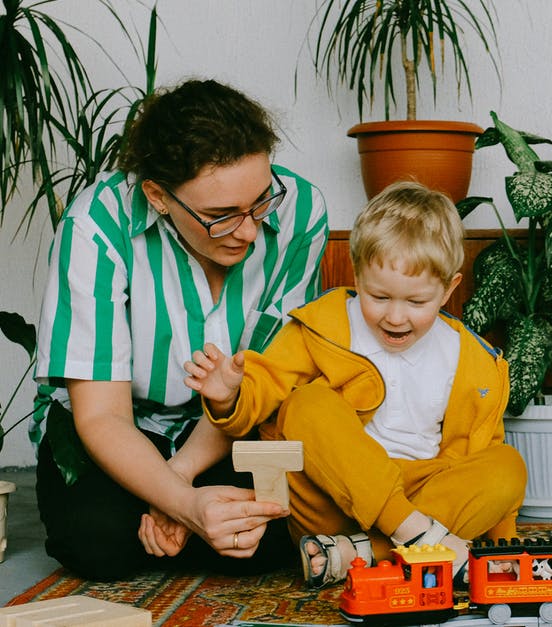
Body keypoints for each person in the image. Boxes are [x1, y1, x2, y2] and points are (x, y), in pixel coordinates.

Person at [32, 79, 329, 581]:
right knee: (99, 546)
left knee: (268, 542)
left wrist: (179, 482)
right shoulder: (95, 226)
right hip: (118, 429)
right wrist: (187, 505)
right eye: (220, 216)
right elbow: (103, 416)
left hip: (233, 424)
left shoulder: (301, 212)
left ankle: (177, 520)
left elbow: (266, 379)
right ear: (158, 196)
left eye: (260, 202)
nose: (250, 230)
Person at [183, 180, 526, 588]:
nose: (395, 317)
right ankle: (413, 536)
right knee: (307, 404)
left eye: (416, 303)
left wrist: (504, 549)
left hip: (425, 498)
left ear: (449, 289)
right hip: (332, 497)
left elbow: (483, 449)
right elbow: (266, 387)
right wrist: (229, 397)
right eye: (379, 297)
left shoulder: (474, 361)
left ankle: (359, 553)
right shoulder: (323, 325)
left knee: (508, 466)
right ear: (357, 274)